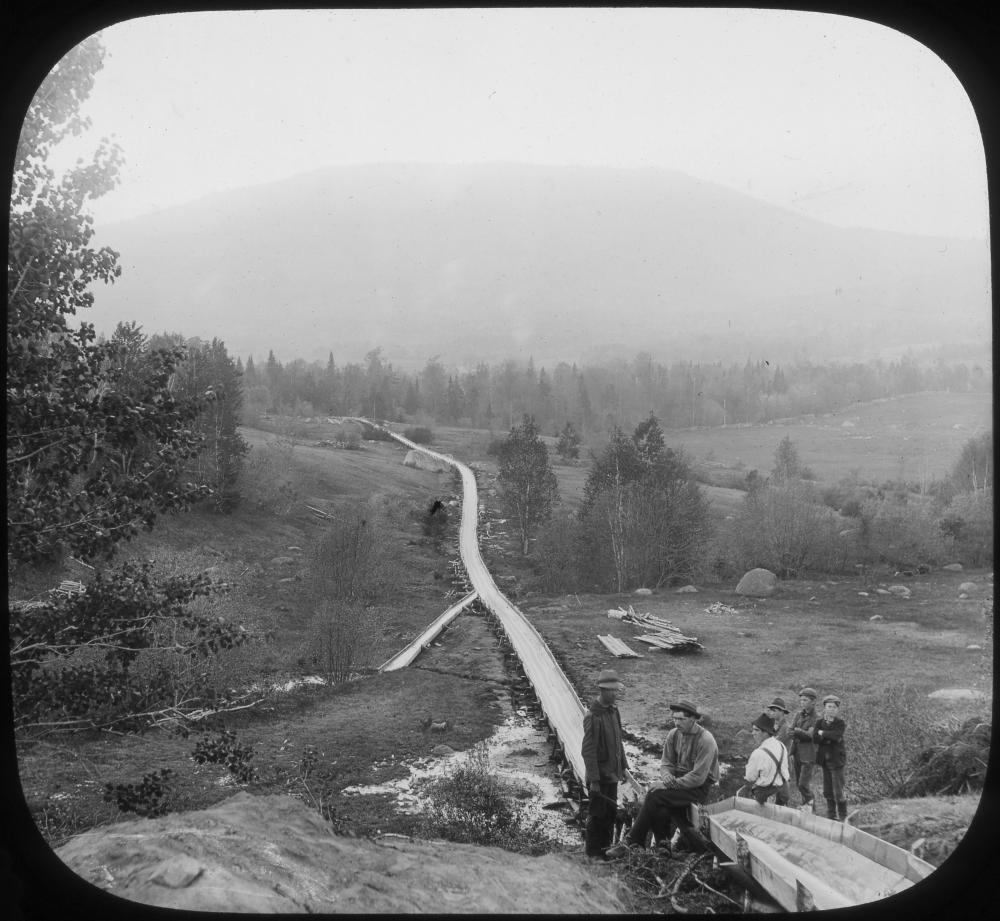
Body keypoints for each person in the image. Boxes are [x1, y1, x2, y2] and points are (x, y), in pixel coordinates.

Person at [606, 699, 719, 859]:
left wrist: (667, 785)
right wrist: (666, 777)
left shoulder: (706, 740)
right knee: (660, 802)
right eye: (674, 718)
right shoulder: (674, 735)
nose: (676, 723)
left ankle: (632, 841)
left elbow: (698, 778)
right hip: (678, 784)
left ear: (693, 719)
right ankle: (663, 848)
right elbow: (666, 763)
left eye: (681, 719)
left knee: (655, 795)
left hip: (697, 789)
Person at [581, 669, 629, 859]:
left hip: (612, 774)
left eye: (617, 691)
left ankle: (605, 852)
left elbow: (619, 741)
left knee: (609, 814)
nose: (616, 694)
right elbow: (588, 751)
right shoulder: (593, 716)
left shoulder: (614, 711)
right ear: (603, 691)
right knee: (597, 816)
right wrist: (593, 781)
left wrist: (623, 767)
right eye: (613, 691)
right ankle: (592, 854)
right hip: (599, 778)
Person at [814, 694, 848, 821]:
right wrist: (827, 736)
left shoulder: (840, 723)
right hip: (824, 761)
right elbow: (815, 738)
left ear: (837, 709)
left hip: (836, 761)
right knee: (828, 790)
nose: (831, 709)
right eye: (829, 706)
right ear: (824, 708)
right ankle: (831, 815)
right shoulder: (819, 722)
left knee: (838, 790)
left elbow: (836, 736)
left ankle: (843, 816)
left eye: (834, 707)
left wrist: (823, 733)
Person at [744, 713, 791, 805]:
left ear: (765, 732)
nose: (753, 733)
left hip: (765, 795)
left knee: (762, 818)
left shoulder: (758, 753)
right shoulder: (781, 746)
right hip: (783, 792)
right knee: (780, 817)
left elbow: (750, 777)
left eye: (756, 730)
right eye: (753, 730)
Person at [788, 687, 819, 811]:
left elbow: (810, 735)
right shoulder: (798, 715)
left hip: (808, 754)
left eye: (805, 700)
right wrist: (798, 732)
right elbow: (789, 731)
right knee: (798, 784)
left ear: (813, 702)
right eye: (801, 700)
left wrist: (797, 731)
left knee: (802, 784)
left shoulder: (817, 718)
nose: (802, 703)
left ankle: (811, 804)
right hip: (797, 753)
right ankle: (807, 807)